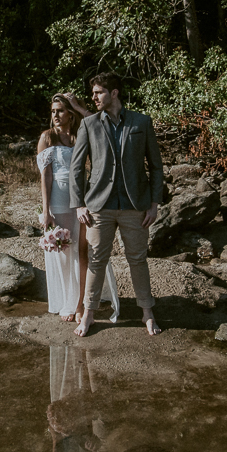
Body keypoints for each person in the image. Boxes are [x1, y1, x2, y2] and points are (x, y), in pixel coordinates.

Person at [70, 72, 164, 336]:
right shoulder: (88, 124)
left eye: (98, 92)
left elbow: (156, 166)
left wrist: (154, 203)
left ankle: (147, 312)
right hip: (99, 205)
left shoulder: (141, 122)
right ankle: (88, 314)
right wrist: (78, 204)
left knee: (138, 259)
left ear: (114, 93)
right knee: (97, 259)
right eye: (93, 93)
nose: (93, 97)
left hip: (136, 205)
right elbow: (76, 167)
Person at [37, 93, 120, 324]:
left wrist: (78, 106)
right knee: (64, 254)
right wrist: (46, 210)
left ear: (70, 114)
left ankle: (82, 304)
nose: (55, 115)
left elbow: (103, 126)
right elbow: (46, 176)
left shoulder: (82, 133)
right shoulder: (47, 137)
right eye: (53, 111)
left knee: (83, 253)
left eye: (61, 110)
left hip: (83, 201)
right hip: (58, 201)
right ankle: (67, 301)